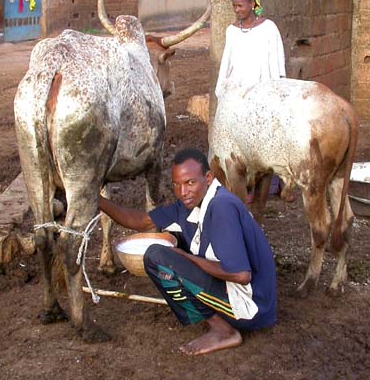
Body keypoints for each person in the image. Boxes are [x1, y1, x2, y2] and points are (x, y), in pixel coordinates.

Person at [98, 148, 277, 355]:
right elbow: (140, 221)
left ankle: (223, 331)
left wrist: (184, 258)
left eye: (190, 182)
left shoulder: (221, 207)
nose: (183, 192)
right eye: (177, 185)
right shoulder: (188, 204)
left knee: (158, 257)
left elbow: (240, 274)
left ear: (208, 178)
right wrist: (97, 200)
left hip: (252, 307)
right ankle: (215, 315)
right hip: (237, 291)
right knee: (172, 240)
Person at [215, 0, 294, 201]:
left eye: (241, 5)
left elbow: (277, 61)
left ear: (252, 3)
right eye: (234, 6)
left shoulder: (269, 28)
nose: (237, 9)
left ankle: (279, 183)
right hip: (240, 95)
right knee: (241, 144)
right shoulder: (232, 31)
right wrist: (222, 90)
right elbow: (226, 63)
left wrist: (277, 89)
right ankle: (246, 187)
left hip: (263, 92)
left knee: (270, 140)